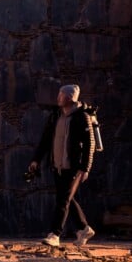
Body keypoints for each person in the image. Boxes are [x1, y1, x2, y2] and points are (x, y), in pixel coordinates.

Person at [28, 84, 96, 247]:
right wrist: (36, 159)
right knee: (66, 199)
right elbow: (45, 140)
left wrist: (85, 168)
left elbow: (89, 144)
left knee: (63, 200)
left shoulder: (82, 117)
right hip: (57, 166)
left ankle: (55, 234)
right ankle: (84, 228)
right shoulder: (55, 116)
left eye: (61, 94)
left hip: (74, 168)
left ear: (70, 98)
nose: (58, 97)